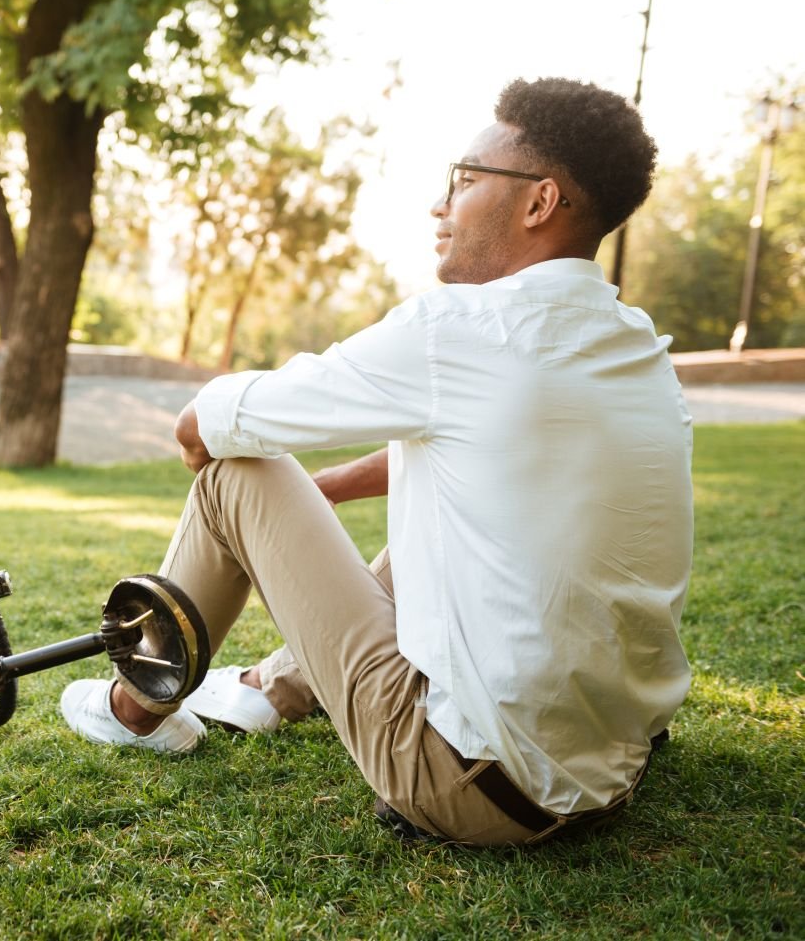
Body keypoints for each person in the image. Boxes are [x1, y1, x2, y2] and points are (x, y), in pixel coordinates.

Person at [61, 77, 693, 846]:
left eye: (463, 180)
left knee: (236, 473)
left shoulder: (458, 329)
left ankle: (138, 712)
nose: (440, 205)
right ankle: (271, 688)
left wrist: (243, 492)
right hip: (610, 770)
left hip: (467, 785)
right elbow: (470, 458)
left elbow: (207, 425)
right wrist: (320, 492)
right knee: (443, 508)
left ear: (538, 203)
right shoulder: (635, 348)